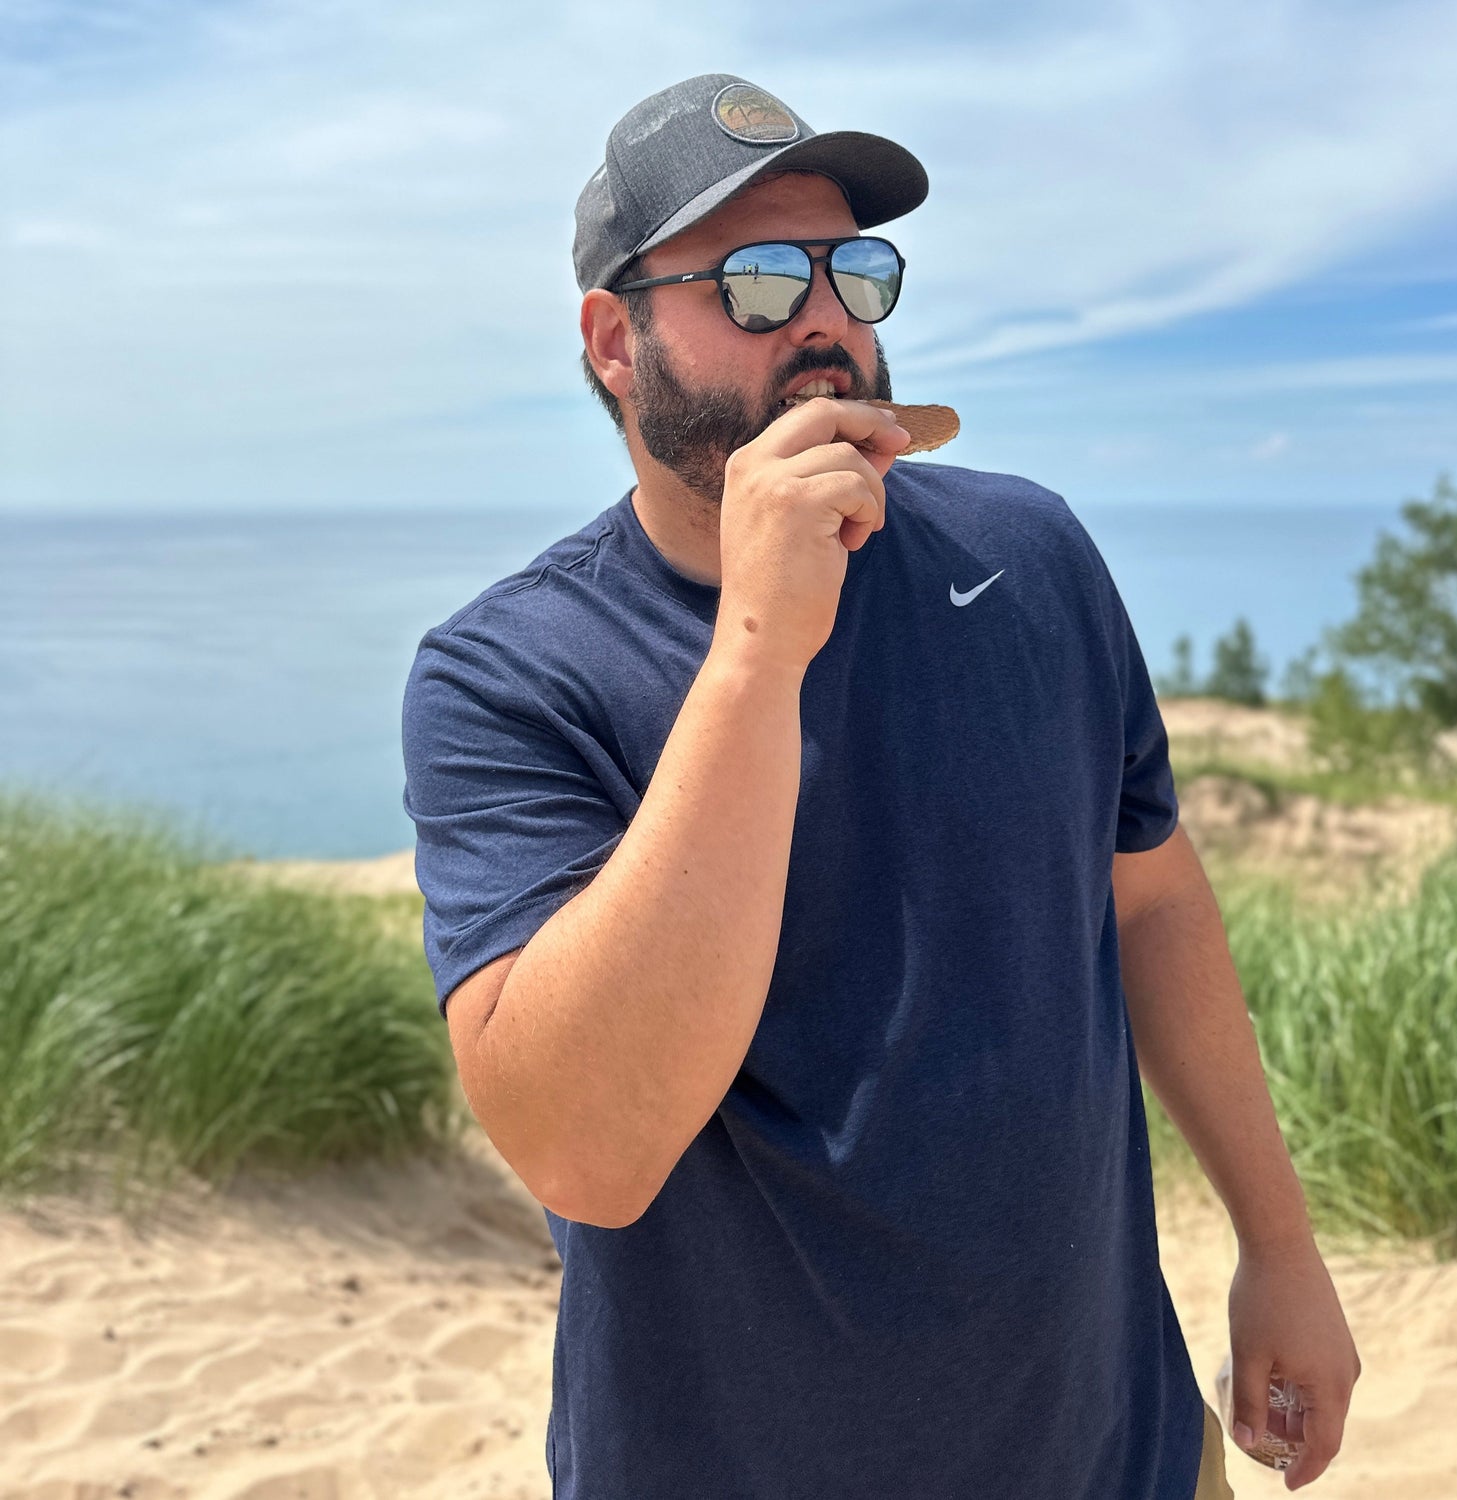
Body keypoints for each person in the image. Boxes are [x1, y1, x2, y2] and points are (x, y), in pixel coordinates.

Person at [400, 72, 1361, 1499]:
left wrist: (1278, 1247)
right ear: (615, 341)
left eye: (854, 272)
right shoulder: (511, 675)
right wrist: (757, 652)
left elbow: (1148, 899)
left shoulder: (1030, 554)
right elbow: (586, 1151)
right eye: (756, 280)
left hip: (1120, 1444)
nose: (825, 323)